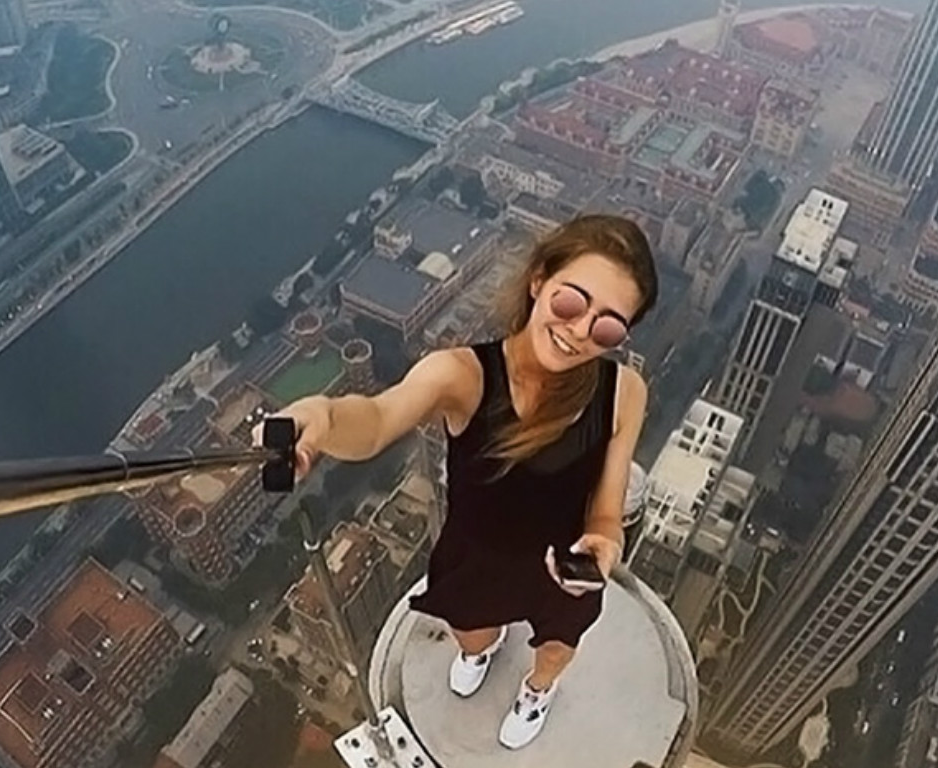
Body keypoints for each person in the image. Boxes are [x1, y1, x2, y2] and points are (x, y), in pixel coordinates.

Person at [264, 215, 656, 749]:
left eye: (607, 327)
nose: (579, 331)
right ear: (539, 280)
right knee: (471, 633)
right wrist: (324, 417)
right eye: (571, 302)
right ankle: (481, 650)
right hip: (478, 554)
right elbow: (379, 419)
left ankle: (537, 691)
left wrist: (605, 544)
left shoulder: (623, 392)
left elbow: (606, 511)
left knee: (558, 646)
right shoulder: (463, 375)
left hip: (563, 566)